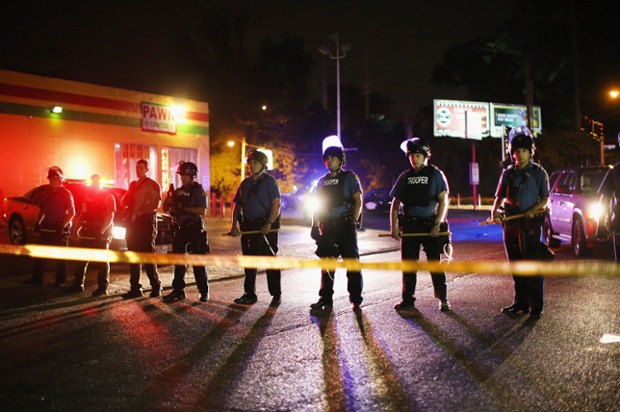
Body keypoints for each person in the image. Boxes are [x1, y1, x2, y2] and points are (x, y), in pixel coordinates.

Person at [491, 126, 551, 320]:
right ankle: (520, 303)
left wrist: (533, 210)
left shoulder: (539, 173)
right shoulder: (508, 174)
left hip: (531, 225)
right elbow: (499, 198)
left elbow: (545, 198)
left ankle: (536, 307)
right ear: (512, 153)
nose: (520, 154)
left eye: (524, 150)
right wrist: (495, 213)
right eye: (516, 151)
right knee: (515, 264)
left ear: (530, 152)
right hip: (511, 224)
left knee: (532, 266)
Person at [390, 138, 451, 312]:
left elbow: (443, 200)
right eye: (411, 156)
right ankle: (407, 299)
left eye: (418, 155)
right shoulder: (405, 176)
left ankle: (443, 298)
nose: (414, 159)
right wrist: (393, 227)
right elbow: (395, 204)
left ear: (426, 156)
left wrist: (438, 224)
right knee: (409, 265)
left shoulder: (435, 174)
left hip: (430, 224)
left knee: (434, 263)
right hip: (410, 226)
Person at [310, 142, 364, 311]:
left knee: (352, 264)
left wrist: (354, 220)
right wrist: (314, 225)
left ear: (341, 160)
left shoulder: (349, 177)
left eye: (333, 158)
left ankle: (356, 298)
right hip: (328, 227)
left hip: (345, 225)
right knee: (327, 264)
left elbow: (358, 200)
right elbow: (315, 204)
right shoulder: (322, 181)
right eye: (327, 158)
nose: (329, 161)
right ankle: (325, 298)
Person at [229, 150, 282, 304]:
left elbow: (276, 204)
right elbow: (237, 206)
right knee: (249, 262)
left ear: (263, 164)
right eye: (250, 162)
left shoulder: (270, 182)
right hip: (248, 227)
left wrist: (268, 223)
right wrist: (233, 225)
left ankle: (276, 293)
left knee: (270, 261)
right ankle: (249, 293)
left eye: (254, 162)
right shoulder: (245, 184)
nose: (251, 165)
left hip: (265, 227)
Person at [162, 161, 210, 302]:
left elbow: (202, 210)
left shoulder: (198, 191)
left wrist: (182, 208)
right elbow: (166, 208)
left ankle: (203, 291)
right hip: (180, 229)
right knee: (179, 263)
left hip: (194, 229)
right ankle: (178, 291)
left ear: (192, 175)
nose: (182, 177)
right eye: (181, 174)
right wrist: (168, 199)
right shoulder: (177, 192)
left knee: (198, 262)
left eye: (185, 175)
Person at [24, 166, 75, 287]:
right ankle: (37, 278)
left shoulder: (66, 194)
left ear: (60, 180)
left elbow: (72, 212)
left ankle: (60, 281)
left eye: (54, 179)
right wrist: (38, 222)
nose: (51, 181)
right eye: (50, 179)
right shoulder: (46, 193)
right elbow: (43, 209)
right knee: (41, 254)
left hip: (59, 229)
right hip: (47, 227)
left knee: (60, 257)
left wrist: (62, 226)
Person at [67, 174, 116, 296]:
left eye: (96, 182)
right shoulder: (88, 196)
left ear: (100, 183)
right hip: (89, 230)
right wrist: (76, 230)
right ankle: (78, 284)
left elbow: (110, 216)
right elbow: (83, 214)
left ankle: (103, 288)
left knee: (102, 261)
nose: (94, 184)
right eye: (92, 182)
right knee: (82, 258)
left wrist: (101, 232)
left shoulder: (108, 196)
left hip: (101, 232)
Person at [120, 159, 163, 299]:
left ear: (146, 169)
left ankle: (156, 285)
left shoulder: (152, 185)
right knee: (133, 256)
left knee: (147, 255)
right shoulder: (133, 185)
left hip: (145, 223)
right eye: (137, 168)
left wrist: (138, 213)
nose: (138, 170)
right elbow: (124, 201)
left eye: (141, 168)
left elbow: (155, 204)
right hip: (132, 225)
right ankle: (135, 288)